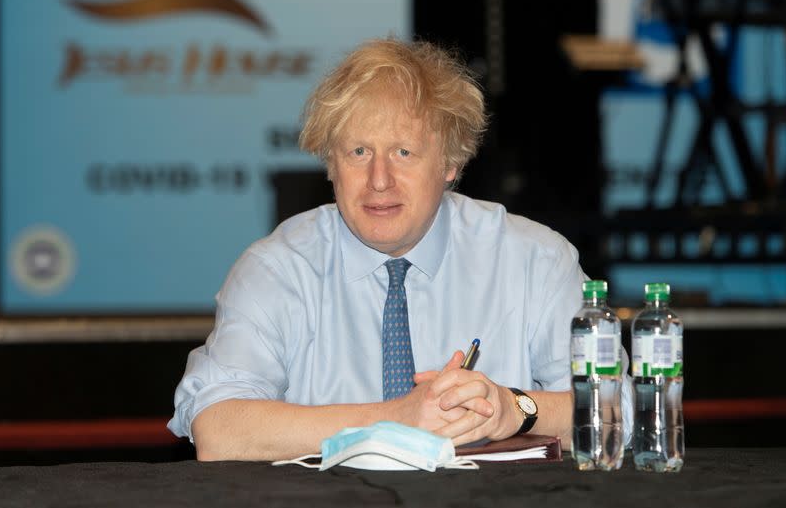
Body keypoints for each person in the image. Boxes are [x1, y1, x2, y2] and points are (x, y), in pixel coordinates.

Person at [167, 36, 633, 461]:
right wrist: (398, 418)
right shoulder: (276, 269)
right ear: (330, 164)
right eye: (358, 153)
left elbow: (619, 411)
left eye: (404, 153)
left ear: (451, 162)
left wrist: (515, 409)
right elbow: (218, 429)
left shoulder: (535, 259)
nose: (379, 180)